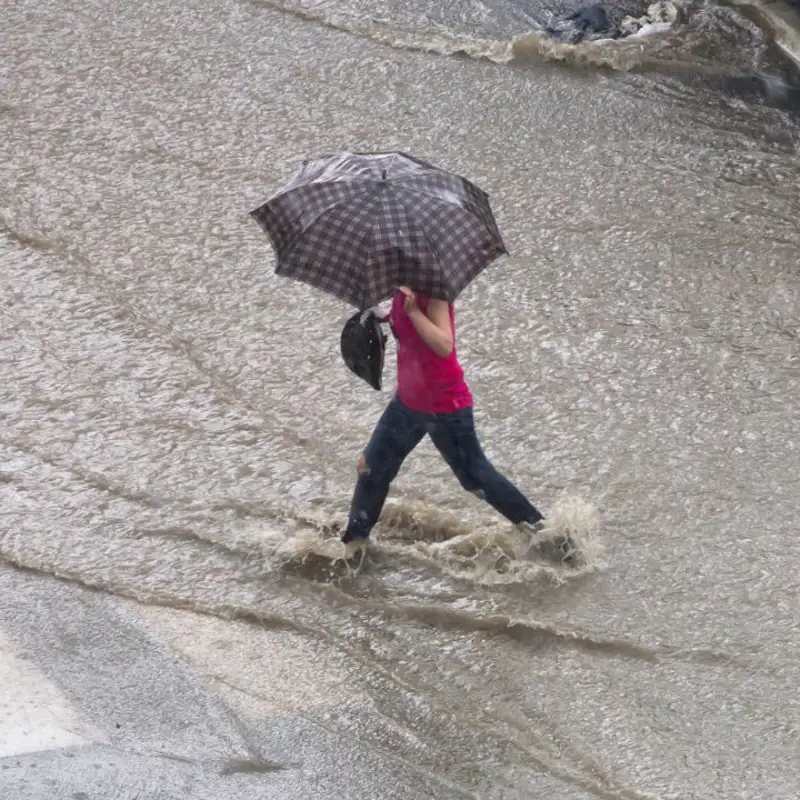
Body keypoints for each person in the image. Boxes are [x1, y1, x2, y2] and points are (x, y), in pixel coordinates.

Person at [341, 286, 575, 562]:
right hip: (407, 404)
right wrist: (380, 316)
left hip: (445, 407)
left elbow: (444, 344)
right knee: (370, 467)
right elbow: (403, 325)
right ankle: (354, 548)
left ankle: (547, 538)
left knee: (475, 478)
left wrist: (415, 314)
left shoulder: (434, 288)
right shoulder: (400, 288)